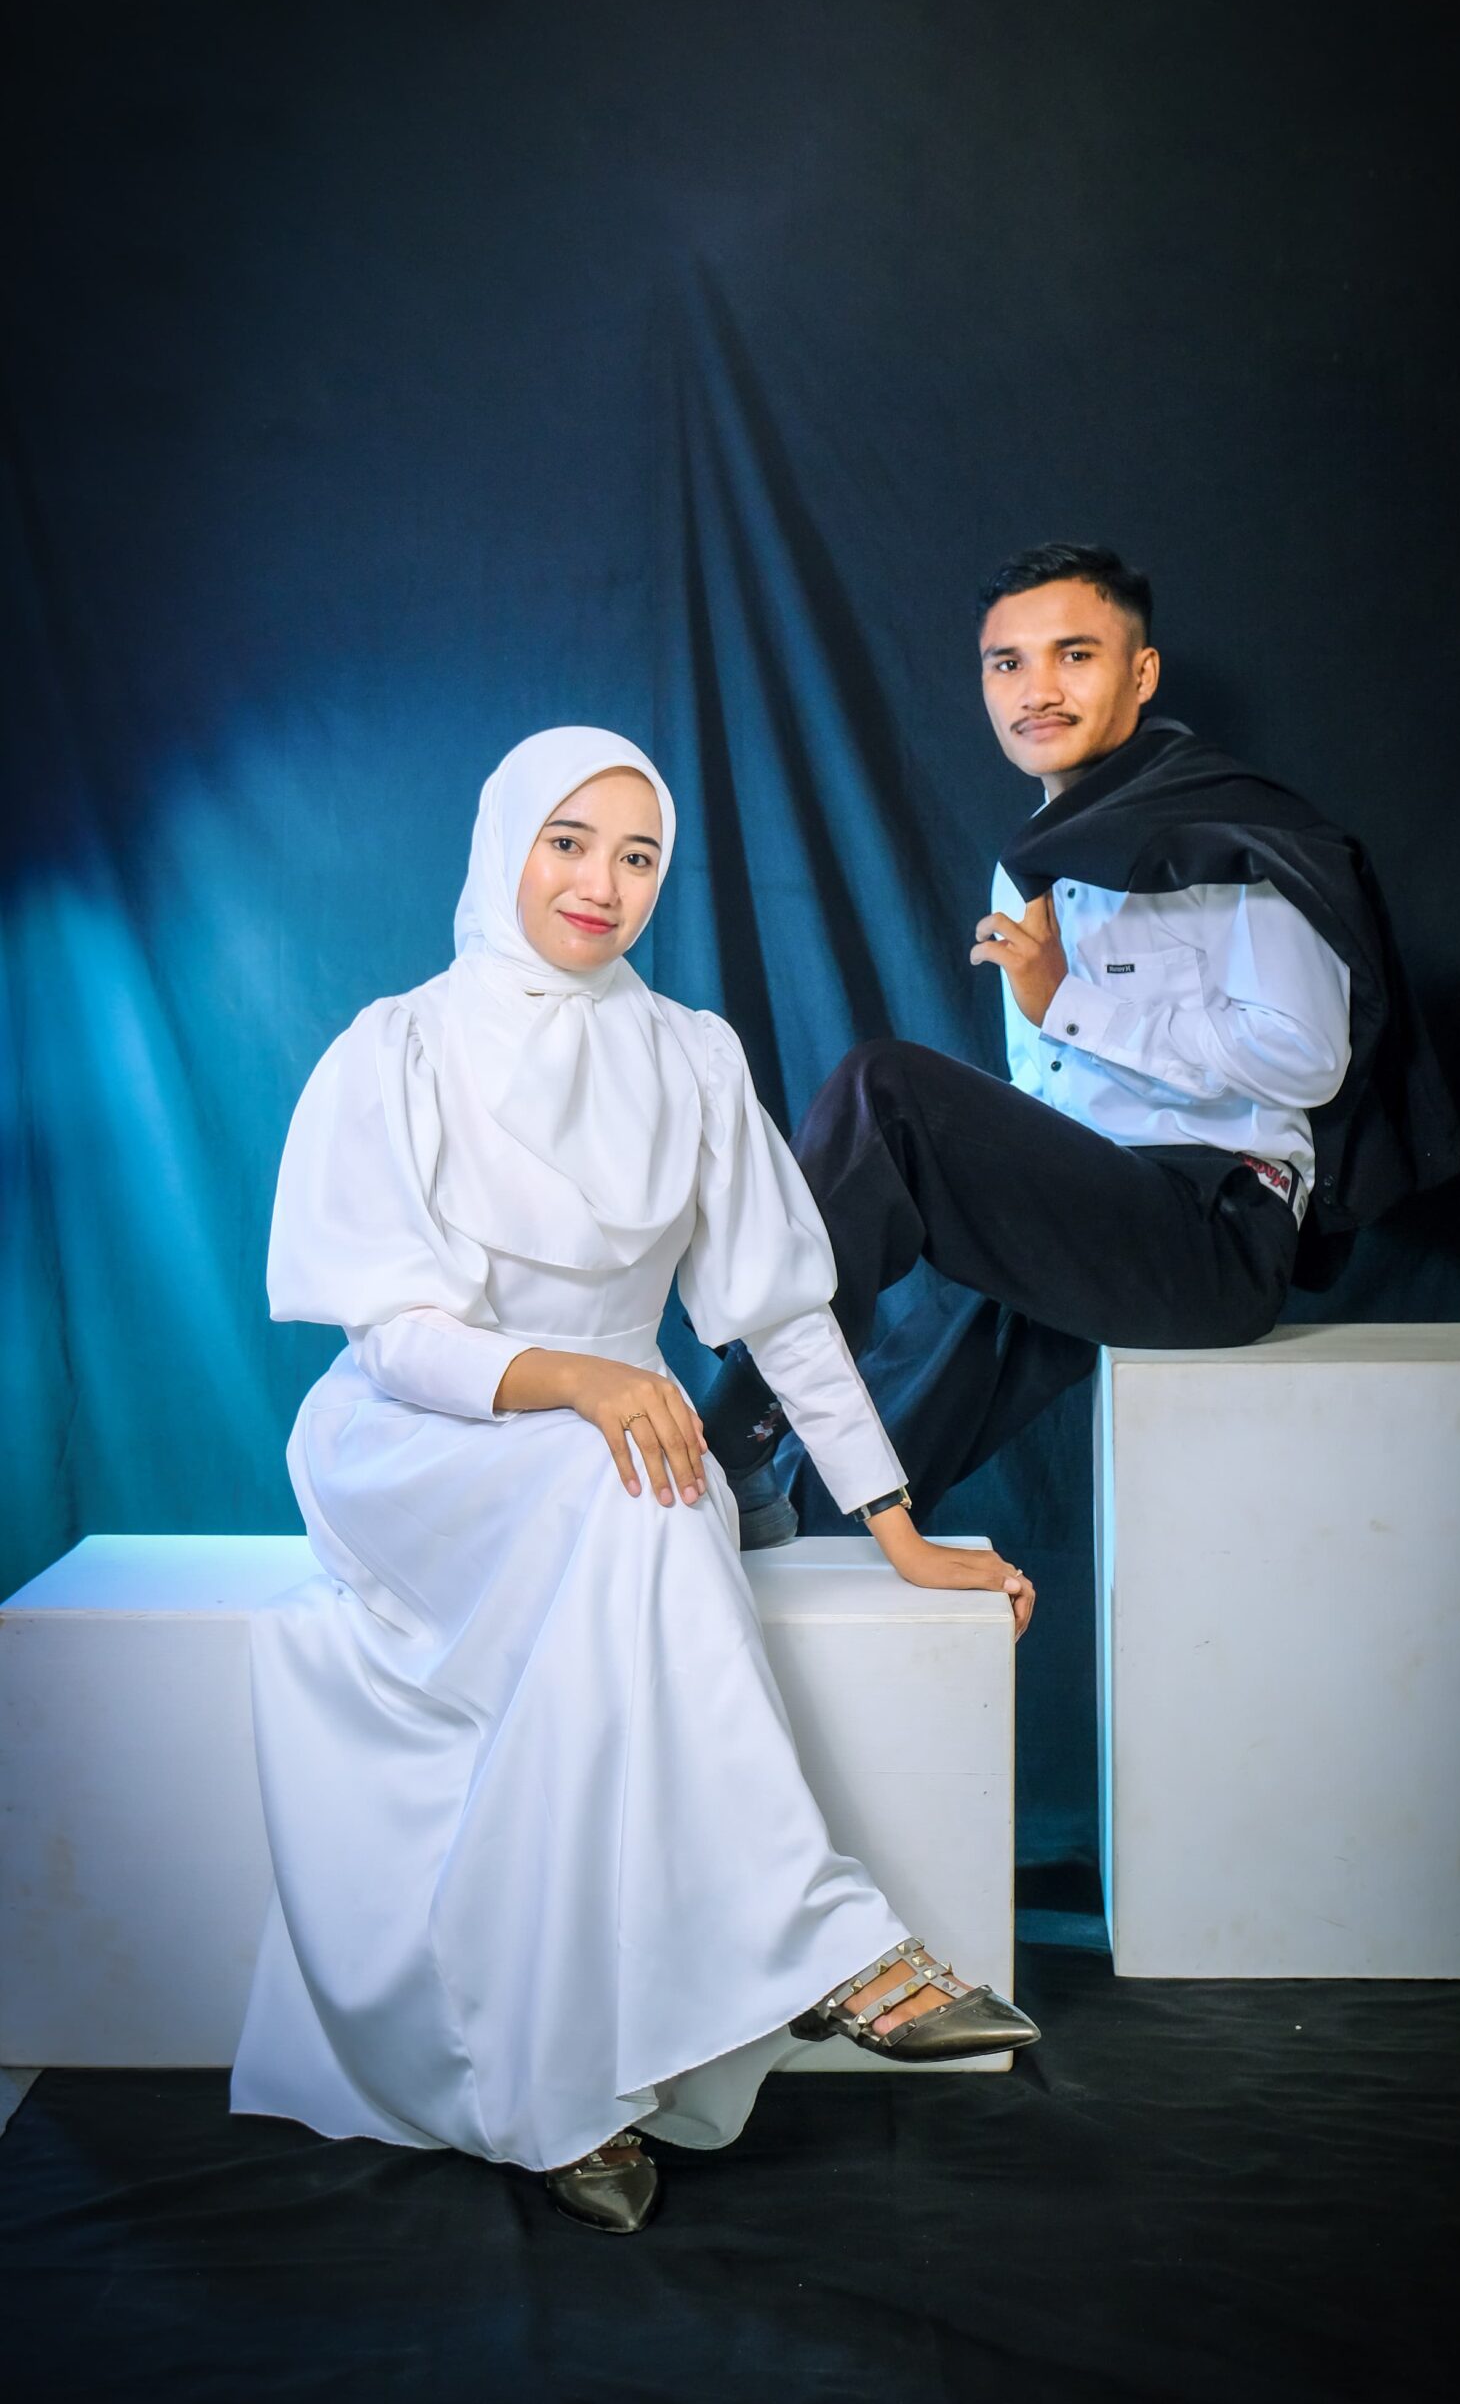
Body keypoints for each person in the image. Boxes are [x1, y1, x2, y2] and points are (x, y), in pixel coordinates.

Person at [231, 727, 1039, 2238]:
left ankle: (556, 2090)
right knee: (642, 1483)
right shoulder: (396, 1047)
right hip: (419, 1438)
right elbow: (392, 1338)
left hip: (620, 1446)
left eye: (638, 854)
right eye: (568, 842)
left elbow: (785, 1314)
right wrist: (580, 1379)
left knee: (639, 1508)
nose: (601, 882)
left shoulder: (690, 1053)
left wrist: (895, 1524)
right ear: (504, 844)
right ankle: (829, 1946)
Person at [702, 543, 1460, 1540]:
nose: (1036, 690)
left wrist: (1069, 1001)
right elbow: (1051, 1100)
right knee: (877, 1431)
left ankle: (718, 1435)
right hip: (1099, 1211)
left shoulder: (1232, 837)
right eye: (1006, 663)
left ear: (1140, 674)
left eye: (1074, 654)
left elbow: (1309, 1058)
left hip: (1213, 1237)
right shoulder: (1028, 867)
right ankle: (762, 1513)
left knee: (884, 1093)